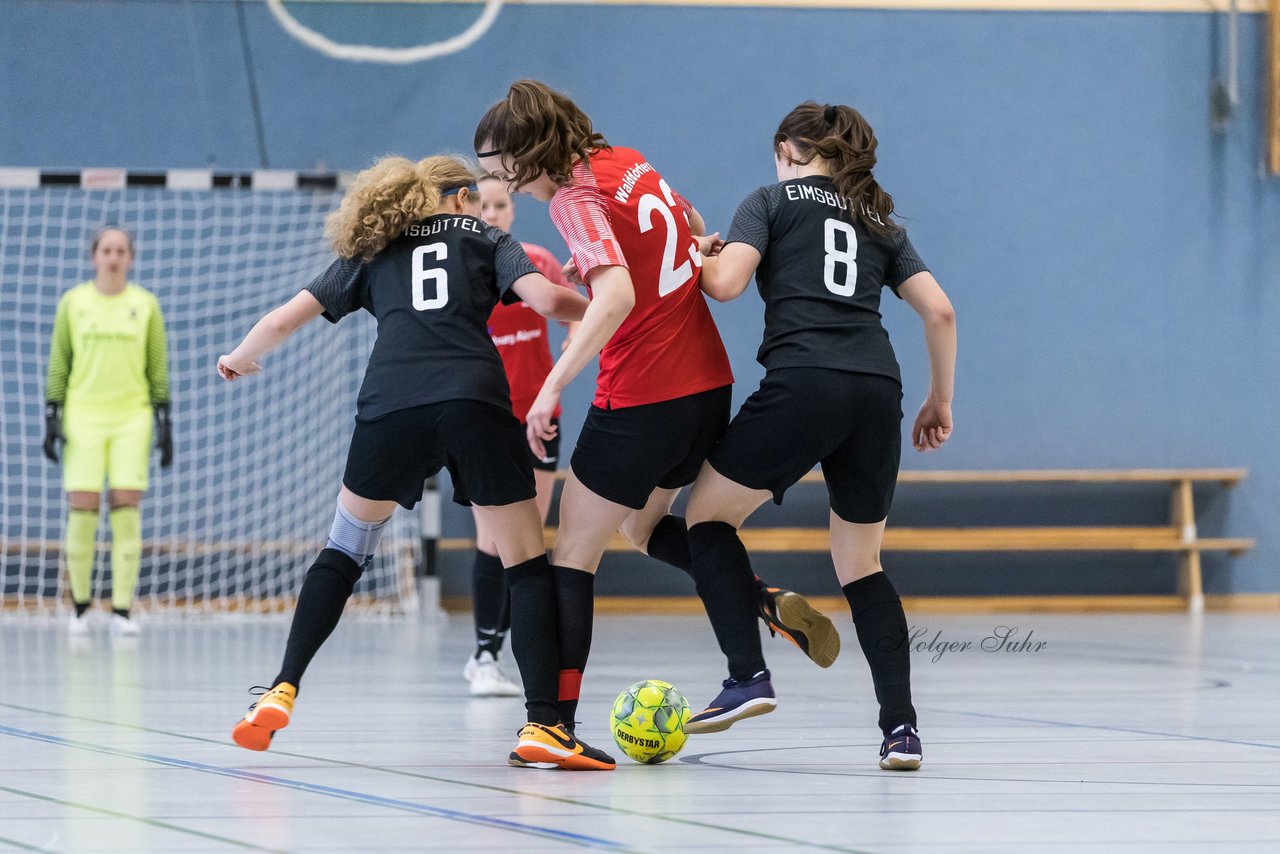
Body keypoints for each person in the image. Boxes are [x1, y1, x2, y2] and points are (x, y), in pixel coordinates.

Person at [219, 154, 612, 770]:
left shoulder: (374, 250)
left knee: (344, 549)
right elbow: (546, 301)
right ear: (459, 199)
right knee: (525, 563)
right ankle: (543, 726)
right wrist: (615, 307)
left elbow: (282, 318)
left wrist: (240, 357)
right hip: (474, 401)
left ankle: (281, 687)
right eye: (476, 200)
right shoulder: (487, 236)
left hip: (390, 407)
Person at [475, 80, 839, 735]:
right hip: (705, 387)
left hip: (640, 399)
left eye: (504, 172)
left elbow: (612, 297)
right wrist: (675, 255)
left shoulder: (575, 199)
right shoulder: (630, 162)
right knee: (643, 529)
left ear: (531, 154)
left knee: (571, 558)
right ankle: (752, 618)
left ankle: (554, 724)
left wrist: (554, 384)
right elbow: (693, 226)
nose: (508, 185)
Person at [678, 102, 957, 772]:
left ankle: (747, 675)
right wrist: (938, 399)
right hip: (876, 390)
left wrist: (699, 251)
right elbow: (940, 310)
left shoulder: (769, 201)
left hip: (804, 383)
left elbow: (725, 285)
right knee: (862, 566)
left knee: (705, 519)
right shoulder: (878, 218)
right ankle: (902, 731)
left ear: (785, 148)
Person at [460, 175, 581, 698]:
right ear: (469, 209)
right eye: (482, 205)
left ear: (511, 210)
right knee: (492, 539)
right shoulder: (463, 270)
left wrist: (556, 387)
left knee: (530, 538)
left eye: (500, 204)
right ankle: (484, 654)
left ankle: (520, 655)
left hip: (540, 415)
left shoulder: (537, 263)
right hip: (487, 418)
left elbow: (577, 317)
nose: (492, 213)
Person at [44, 227, 173, 637]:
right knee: (82, 509)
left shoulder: (146, 305)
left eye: (120, 250)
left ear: (130, 257)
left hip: (131, 417)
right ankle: (80, 607)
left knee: (125, 508)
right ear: (94, 256)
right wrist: (53, 414)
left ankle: (122, 611)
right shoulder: (74, 303)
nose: (113, 257)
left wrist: (164, 420)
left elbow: (157, 366)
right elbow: (59, 362)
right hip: (83, 416)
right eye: (106, 250)